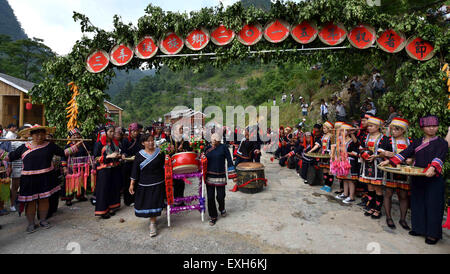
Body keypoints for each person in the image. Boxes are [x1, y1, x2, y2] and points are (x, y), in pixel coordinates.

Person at [0, 125, 82, 233]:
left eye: (42, 134)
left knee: (44, 200)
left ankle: (43, 220)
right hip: (29, 179)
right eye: (36, 134)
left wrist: (77, 144)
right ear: (31, 135)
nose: (39, 136)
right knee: (31, 202)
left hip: (45, 178)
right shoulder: (24, 147)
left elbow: (64, 153)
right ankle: (31, 224)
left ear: (45, 135)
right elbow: (10, 157)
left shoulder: (50, 146)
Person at [380, 115, 448, 245]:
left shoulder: (441, 143)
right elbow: (404, 153)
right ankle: (418, 229)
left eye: (434, 126)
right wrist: (389, 161)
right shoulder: (416, 142)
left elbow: (439, 157)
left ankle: (433, 235)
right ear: (422, 128)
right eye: (429, 126)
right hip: (417, 177)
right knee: (417, 203)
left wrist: (433, 168)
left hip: (433, 179)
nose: (432, 128)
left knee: (433, 206)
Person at [378, 118, 412, 230]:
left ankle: (402, 219)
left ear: (403, 130)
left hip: (404, 172)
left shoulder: (409, 141)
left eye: (397, 129)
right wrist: (385, 154)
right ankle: (388, 217)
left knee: (403, 195)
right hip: (390, 170)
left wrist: (411, 159)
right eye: (392, 129)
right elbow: (380, 152)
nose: (394, 132)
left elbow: (413, 154)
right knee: (388, 193)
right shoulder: (387, 140)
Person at [129, 134, 166, 237]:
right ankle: (152, 221)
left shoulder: (160, 152)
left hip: (158, 182)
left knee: (155, 203)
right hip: (144, 184)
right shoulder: (139, 155)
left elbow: (165, 166)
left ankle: (153, 223)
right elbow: (135, 170)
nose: (151, 143)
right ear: (142, 143)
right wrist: (132, 184)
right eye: (148, 141)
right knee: (148, 204)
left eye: (152, 140)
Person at [359, 117, 391, 219]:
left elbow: (383, 152)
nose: (369, 128)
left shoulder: (383, 138)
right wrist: (363, 154)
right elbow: (361, 148)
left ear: (378, 127)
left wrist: (376, 156)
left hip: (377, 166)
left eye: (371, 126)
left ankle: (377, 209)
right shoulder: (366, 136)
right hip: (367, 164)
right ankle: (371, 207)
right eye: (368, 126)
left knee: (378, 188)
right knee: (370, 187)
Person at [204, 133, 235, 226]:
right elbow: (202, 161)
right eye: (213, 139)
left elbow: (229, 160)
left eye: (216, 140)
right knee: (210, 197)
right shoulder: (206, 149)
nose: (214, 141)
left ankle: (222, 208)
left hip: (220, 176)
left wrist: (233, 175)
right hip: (209, 176)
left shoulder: (224, 147)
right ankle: (213, 216)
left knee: (221, 196)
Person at [93, 125, 123, 219]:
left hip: (114, 169)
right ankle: (103, 210)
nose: (113, 133)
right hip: (103, 170)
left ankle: (111, 207)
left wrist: (119, 155)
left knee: (112, 188)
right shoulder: (99, 144)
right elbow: (96, 158)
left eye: (113, 131)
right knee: (103, 190)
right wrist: (109, 156)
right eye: (110, 131)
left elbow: (116, 152)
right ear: (104, 133)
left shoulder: (114, 143)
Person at [60, 128, 89, 206]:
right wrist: (64, 167)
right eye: (74, 135)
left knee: (81, 182)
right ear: (70, 137)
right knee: (70, 183)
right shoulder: (68, 146)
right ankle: (68, 198)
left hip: (81, 167)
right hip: (71, 168)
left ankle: (80, 195)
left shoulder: (83, 145)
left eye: (77, 135)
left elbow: (87, 154)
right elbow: (63, 157)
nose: (76, 136)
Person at [332, 123, 359, 204]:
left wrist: (346, 153)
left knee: (350, 180)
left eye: (343, 131)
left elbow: (355, 151)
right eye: (341, 131)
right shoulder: (341, 140)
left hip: (350, 162)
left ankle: (351, 197)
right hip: (342, 162)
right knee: (344, 179)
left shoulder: (351, 141)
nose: (341, 132)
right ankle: (345, 193)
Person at [121, 123, 143, 206]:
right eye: (133, 131)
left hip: (137, 163)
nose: (135, 133)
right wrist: (124, 155)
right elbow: (123, 151)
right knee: (128, 182)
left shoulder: (140, 139)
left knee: (137, 181)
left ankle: (137, 199)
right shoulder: (126, 140)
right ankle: (128, 200)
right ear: (130, 131)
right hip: (128, 164)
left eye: (136, 131)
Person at [309, 121, 334, 192]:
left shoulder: (332, 136)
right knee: (324, 170)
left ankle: (329, 185)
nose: (323, 129)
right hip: (323, 155)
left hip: (329, 154)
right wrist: (311, 150)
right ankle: (325, 184)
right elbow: (318, 145)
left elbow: (333, 146)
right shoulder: (323, 136)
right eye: (323, 128)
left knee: (330, 171)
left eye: (325, 128)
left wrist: (332, 154)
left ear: (329, 128)